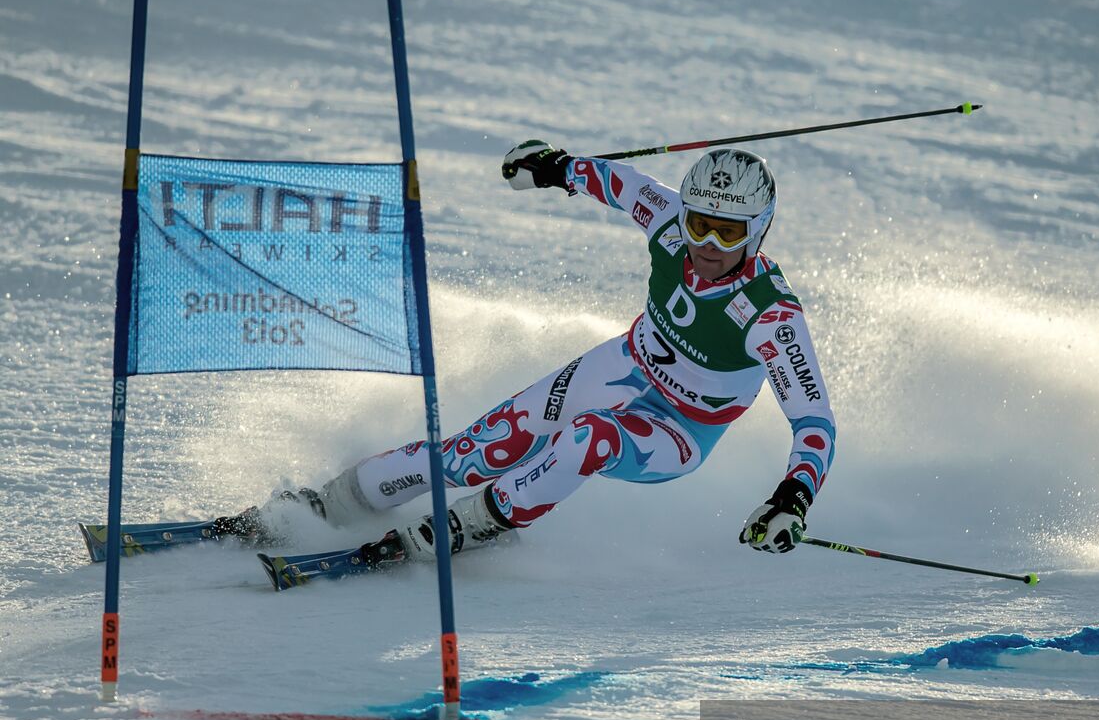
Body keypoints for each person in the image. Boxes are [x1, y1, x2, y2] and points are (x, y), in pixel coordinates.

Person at [277, 142, 836, 558]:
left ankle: (479, 523)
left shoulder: (771, 317)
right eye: (699, 223)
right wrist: (554, 167)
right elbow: (621, 183)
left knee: (591, 437)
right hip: (623, 366)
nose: (706, 245)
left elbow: (814, 422)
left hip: (681, 430)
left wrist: (792, 498)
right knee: (472, 453)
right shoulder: (669, 226)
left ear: (757, 230)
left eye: (728, 233)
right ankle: (330, 504)